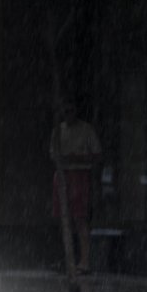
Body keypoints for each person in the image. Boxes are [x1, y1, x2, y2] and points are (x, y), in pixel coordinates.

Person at [48, 102, 101, 274]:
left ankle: (84, 261)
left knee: (79, 218)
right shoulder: (58, 130)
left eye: (70, 110)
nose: (67, 114)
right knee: (63, 219)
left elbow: (96, 155)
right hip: (63, 174)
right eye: (64, 111)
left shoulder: (86, 130)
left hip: (79, 174)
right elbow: (53, 154)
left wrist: (78, 158)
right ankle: (66, 259)